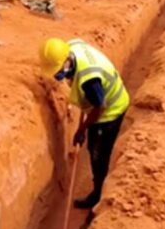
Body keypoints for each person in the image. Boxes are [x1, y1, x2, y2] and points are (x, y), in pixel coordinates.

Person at [39, 38, 130, 209]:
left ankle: (98, 197)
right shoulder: (73, 47)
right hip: (104, 101)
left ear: (66, 61)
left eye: (58, 70)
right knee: (95, 150)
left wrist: (81, 130)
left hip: (110, 112)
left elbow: (100, 107)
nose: (57, 74)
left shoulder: (90, 80)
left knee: (99, 155)